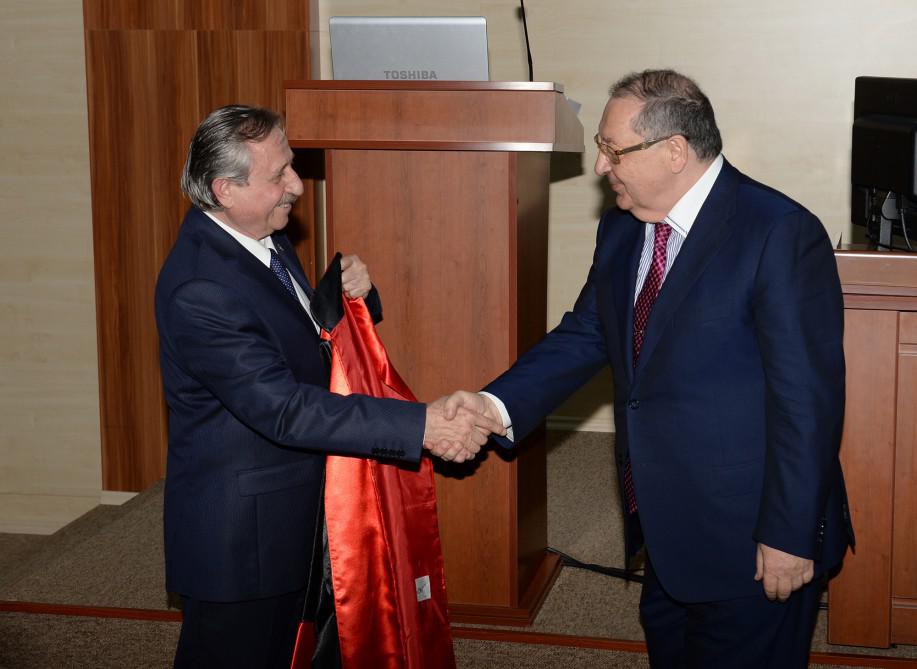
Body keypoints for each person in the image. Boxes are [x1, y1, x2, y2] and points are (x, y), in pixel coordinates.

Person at [445, 69, 854, 667]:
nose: (599, 166)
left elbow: (806, 404)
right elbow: (588, 332)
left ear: (674, 151)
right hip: (664, 522)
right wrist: (493, 406)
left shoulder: (779, 233)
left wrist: (789, 535)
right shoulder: (623, 224)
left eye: (613, 150)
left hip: (751, 533)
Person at [154, 104, 502, 669]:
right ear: (225, 189)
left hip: (293, 509)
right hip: (243, 541)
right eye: (279, 175)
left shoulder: (256, 238)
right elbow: (284, 408)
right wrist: (422, 426)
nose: (296, 184)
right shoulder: (200, 288)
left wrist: (343, 296)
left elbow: (289, 336)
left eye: (291, 165)